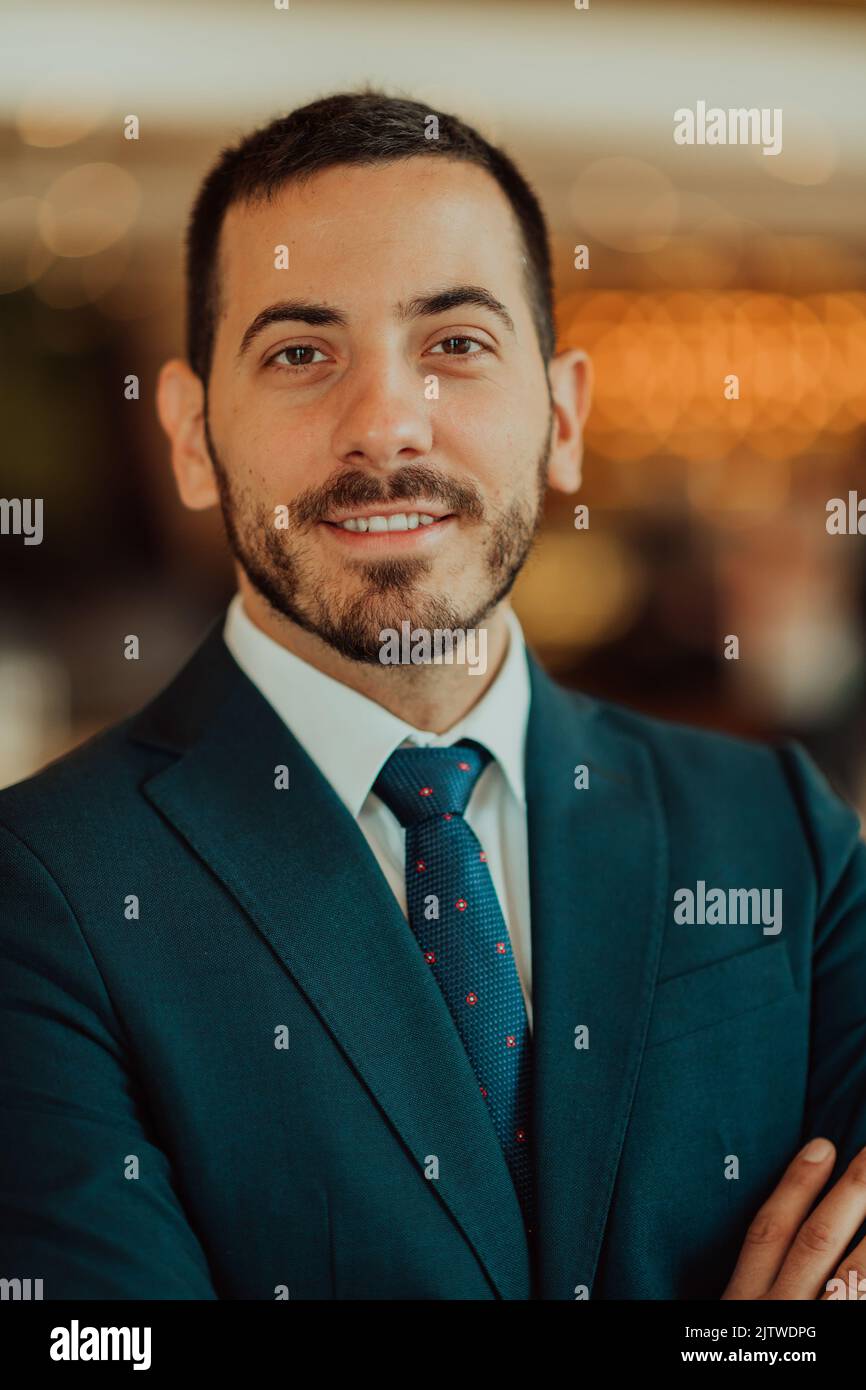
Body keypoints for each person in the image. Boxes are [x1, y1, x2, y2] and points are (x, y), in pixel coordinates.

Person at [1, 91, 865, 1302]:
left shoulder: (779, 828)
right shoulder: (41, 891)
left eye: (454, 343)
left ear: (561, 418)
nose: (386, 425)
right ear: (192, 439)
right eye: (300, 353)